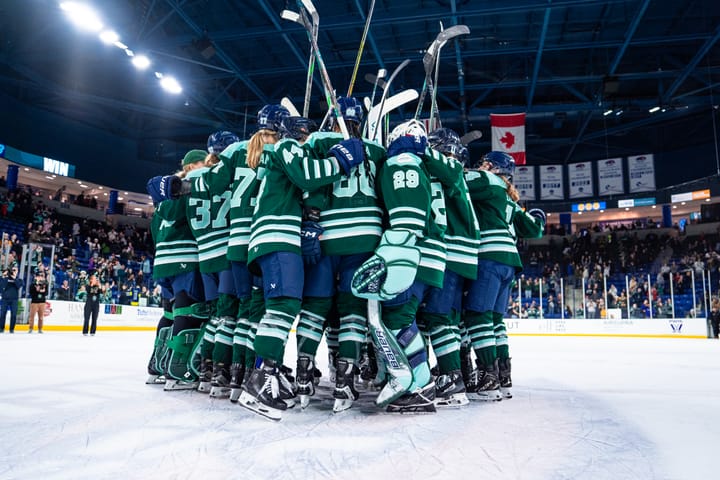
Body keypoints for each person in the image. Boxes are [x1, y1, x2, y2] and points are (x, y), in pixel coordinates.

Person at [238, 108, 366, 421]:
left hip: (271, 237)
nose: (307, 137)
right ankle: (260, 382)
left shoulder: (271, 154)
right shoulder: (285, 146)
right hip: (278, 237)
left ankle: (267, 375)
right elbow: (307, 175)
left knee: (279, 309)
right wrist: (341, 160)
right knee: (284, 306)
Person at [463, 151, 544, 400]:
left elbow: (457, 180)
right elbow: (534, 229)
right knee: (496, 320)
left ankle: (488, 376)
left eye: (485, 163)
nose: (481, 166)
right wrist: (539, 215)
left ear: (495, 168)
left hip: (489, 255)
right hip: (509, 262)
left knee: (478, 316)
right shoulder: (511, 201)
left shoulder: (487, 181)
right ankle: (503, 375)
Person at [0, 266, 24, 333]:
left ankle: (11, 329)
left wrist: (15, 278)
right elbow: (1, 286)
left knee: (14, 314)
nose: (13, 272)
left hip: (14, 299)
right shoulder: (4, 278)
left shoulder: (19, 280)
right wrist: (5, 276)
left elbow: (19, 286)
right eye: (12, 270)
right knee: (2, 314)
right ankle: (1, 328)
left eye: (15, 270)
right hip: (5, 299)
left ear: (17, 271)